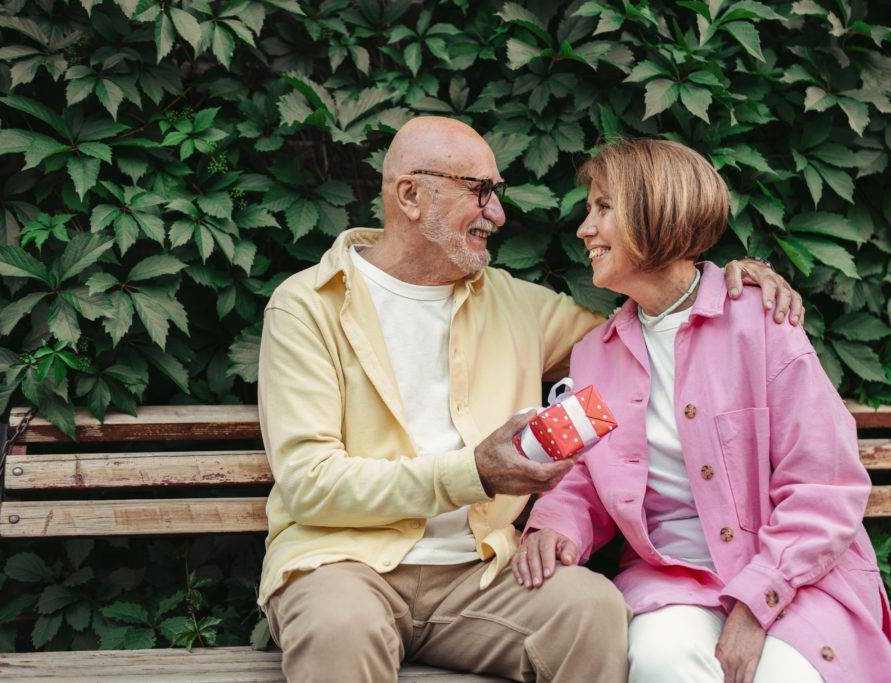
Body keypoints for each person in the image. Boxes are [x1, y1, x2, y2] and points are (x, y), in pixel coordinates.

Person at [257, 117, 803, 682]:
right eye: (480, 191)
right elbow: (309, 484)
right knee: (339, 626)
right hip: (341, 566)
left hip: (482, 572)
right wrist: (474, 473)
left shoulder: (516, 304)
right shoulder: (307, 306)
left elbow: (647, 326)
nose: (497, 213)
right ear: (411, 195)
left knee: (592, 610)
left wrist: (729, 284)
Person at [514, 138, 891, 683]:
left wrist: (756, 603)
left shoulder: (760, 322)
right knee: (661, 664)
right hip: (673, 582)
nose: (583, 228)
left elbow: (825, 486)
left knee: (780, 676)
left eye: (603, 208)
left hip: (796, 577)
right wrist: (555, 524)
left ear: (655, 212)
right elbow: (583, 478)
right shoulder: (595, 354)